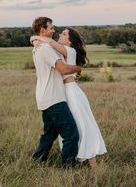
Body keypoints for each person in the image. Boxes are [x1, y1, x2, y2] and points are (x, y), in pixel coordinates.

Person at [31, 26, 107, 168]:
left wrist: (35, 38)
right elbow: (48, 45)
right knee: (66, 128)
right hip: (62, 92)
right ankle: (76, 158)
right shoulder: (60, 52)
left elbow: (51, 43)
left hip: (71, 93)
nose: (60, 34)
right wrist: (34, 40)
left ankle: (92, 162)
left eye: (64, 34)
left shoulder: (70, 51)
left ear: (70, 41)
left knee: (82, 125)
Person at [31, 17, 81, 168]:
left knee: (50, 134)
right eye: (51, 28)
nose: (54, 30)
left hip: (44, 96)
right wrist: (78, 69)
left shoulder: (38, 46)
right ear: (42, 30)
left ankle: (37, 161)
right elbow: (63, 69)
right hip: (54, 98)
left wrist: (33, 39)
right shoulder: (45, 48)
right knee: (71, 134)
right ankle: (68, 166)